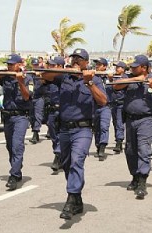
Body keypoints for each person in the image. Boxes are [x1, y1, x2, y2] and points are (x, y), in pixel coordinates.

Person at [40, 48, 107, 220]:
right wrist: (64, 69)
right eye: (73, 58)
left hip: (83, 129)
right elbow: (45, 76)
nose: (76, 61)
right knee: (67, 164)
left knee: (77, 160)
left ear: (86, 62)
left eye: (79, 59)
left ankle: (70, 199)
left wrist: (89, 83)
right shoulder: (64, 77)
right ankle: (77, 199)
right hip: (64, 129)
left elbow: (103, 101)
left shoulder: (95, 80)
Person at [114, 55, 152, 199]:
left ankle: (142, 181)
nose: (132, 68)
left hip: (146, 120)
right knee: (130, 150)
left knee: (143, 149)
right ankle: (135, 176)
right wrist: (134, 79)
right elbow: (116, 86)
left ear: (144, 67)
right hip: (130, 119)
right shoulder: (128, 77)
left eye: (135, 66)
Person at [0, 54, 33, 191]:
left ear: (20, 64)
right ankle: (17, 170)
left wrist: (20, 82)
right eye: (8, 64)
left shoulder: (28, 78)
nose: (9, 66)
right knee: (9, 146)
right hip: (7, 116)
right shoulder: (6, 77)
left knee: (17, 145)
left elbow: (27, 97)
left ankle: (13, 175)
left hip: (21, 116)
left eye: (11, 64)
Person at [45, 57, 64, 172]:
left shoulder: (64, 77)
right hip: (52, 110)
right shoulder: (50, 78)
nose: (51, 67)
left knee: (61, 134)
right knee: (53, 133)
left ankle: (58, 155)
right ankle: (59, 153)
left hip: (63, 110)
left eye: (54, 65)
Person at [92, 57, 111, 161]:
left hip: (106, 106)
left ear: (104, 66)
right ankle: (98, 145)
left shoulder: (109, 77)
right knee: (96, 128)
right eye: (96, 64)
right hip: (94, 106)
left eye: (99, 64)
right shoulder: (94, 77)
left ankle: (102, 148)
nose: (97, 66)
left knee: (104, 126)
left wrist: (111, 78)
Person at [110, 61, 128, 153]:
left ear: (123, 69)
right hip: (114, 103)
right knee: (115, 123)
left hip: (121, 103)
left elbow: (116, 87)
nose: (116, 69)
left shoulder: (125, 78)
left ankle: (119, 142)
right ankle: (118, 140)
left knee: (119, 123)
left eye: (118, 67)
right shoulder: (113, 77)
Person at [28, 58, 46, 144]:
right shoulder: (29, 74)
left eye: (36, 65)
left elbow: (45, 81)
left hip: (39, 97)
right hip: (31, 98)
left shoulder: (42, 73)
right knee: (31, 116)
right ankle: (34, 129)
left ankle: (35, 132)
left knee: (38, 115)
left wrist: (39, 75)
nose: (35, 66)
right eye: (34, 65)